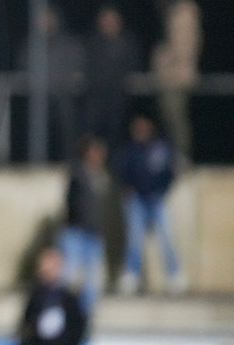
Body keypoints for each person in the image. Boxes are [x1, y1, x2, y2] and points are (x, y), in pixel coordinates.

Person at [114, 113, 185, 296]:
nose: (140, 129)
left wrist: (162, 190)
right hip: (136, 199)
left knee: (166, 238)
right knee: (134, 239)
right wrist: (126, 187)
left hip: (156, 199)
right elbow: (121, 171)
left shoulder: (160, 147)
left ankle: (174, 275)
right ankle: (131, 275)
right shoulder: (130, 149)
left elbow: (170, 171)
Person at [19, 5, 86, 161]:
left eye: (48, 17)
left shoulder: (68, 42)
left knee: (67, 128)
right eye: (42, 18)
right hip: (40, 95)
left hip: (63, 94)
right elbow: (23, 66)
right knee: (36, 126)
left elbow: (78, 64)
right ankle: (35, 161)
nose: (45, 21)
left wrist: (68, 82)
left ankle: (69, 161)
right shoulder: (31, 44)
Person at [59, 135, 109, 318]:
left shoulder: (100, 176)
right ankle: (63, 312)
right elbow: (72, 203)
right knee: (67, 276)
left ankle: (84, 316)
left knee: (92, 279)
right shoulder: (78, 173)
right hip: (76, 230)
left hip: (93, 233)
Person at [151, 0, 202, 168]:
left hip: (176, 76)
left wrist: (163, 59)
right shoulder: (178, 16)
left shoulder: (183, 16)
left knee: (176, 116)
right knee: (170, 115)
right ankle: (175, 154)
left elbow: (183, 49)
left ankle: (181, 155)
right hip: (170, 75)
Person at [83, 5, 140, 149]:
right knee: (92, 134)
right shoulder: (92, 43)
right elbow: (87, 67)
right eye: (105, 19)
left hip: (118, 98)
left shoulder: (127, 43)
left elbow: (133, 66)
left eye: (112, 19)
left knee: (115, 134)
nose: (108, 23)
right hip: (95, 98)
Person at [17, 246, 87, 345]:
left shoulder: (70, 298)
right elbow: (26, 326)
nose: (47, 269)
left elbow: (78, 328)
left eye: (52, 265)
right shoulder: (35, 297)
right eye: (45, 265)